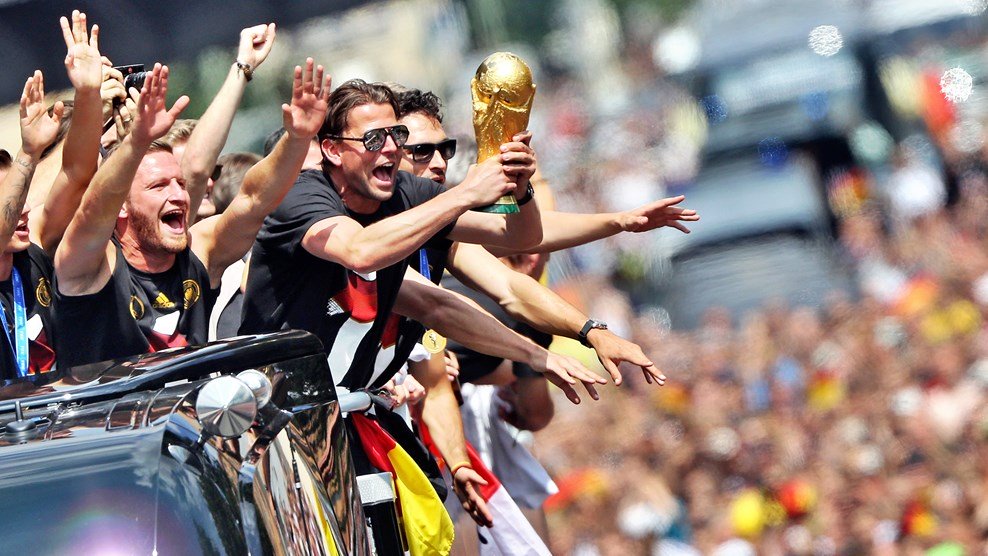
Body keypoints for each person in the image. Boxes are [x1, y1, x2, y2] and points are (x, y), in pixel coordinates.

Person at [239, 79, 607, 527]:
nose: (392, 150)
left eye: (397, 137)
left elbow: (520, 239)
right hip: (277, 428)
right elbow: (364, 253)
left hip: (354, 419)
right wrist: (464, 194)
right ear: (333, 151)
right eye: (374, 139)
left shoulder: (404, 197)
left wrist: (528, 190)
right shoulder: (301, 196)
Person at [53, 59, 332, 368]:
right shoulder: (92, 264)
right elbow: (92, 211)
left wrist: (297, 138)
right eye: (159, 186)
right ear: (121, 204)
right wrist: (135, 141)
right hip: (106, 417)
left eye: (180, 183)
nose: (178, 195)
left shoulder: (199, 250)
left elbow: (253, 199)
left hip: (186, 415)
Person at [0, 71, 63, 381]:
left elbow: (73, 176)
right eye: (10, 200)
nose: (21, 209)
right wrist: (28, 152)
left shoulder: (31, 252)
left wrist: (95, 106)